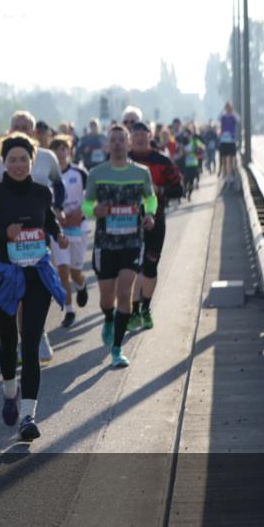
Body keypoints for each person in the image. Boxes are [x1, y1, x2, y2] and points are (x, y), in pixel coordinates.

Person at [0, 133, 68, 441]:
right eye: (12, 159)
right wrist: (6, 233)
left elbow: (49, 221)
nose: (18, 165)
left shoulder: (42, 193)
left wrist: (58, 234)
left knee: (30, 345)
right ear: (4, 162)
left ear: (32, 160)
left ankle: (28, 416)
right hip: (3, 274)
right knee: (8, 342)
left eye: (23, 159)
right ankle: (9, 391)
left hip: (36, 274)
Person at [82, 125, 157, 368]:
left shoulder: (141, 172)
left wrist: (150, 215)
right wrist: (94, 210)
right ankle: (108, 318)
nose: (117, 144)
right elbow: (86, 205)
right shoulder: (96, 173)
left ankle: (117, 349)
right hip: (105, 244)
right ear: (107, 145)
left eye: (121, 140)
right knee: (107, 300)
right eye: (112, 140)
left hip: (132, 242)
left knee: (125, 293)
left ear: (128, 144)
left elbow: (150, 198)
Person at [126, 121, 182, 333]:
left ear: (150, 137)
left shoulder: (162, 161)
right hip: (126, 224)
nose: (139, 139)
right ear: (131, 138)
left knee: (150, 267)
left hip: (155, 221)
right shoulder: (122, 160)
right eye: (135, 135)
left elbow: (178, 189)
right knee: (131, 269)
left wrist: (161, 190)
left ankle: (145, 309)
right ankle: (133, 312)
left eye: (143, 135)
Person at [49, 136, 90, 327]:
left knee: (75, 273)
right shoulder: (47, 176)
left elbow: (90, 198)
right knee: (62, 271)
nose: (60, 152)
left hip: (79, 227)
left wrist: (78, 214)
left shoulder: (80, 172)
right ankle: (69, 310)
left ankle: (81, 284)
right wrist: (56, 217)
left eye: (63, 148)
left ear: (69, 150)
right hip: (59, 229)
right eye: (56, 149)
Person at [218, 102, 241, 189]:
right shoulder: (223, 116)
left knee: (232, 161)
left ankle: (232, 177)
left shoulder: (233, 116)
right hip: (224, 141)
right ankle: (227, 178)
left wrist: (232, 111)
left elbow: (239, 119)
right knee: (225, 161)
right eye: (227, 107)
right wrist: (224, 110)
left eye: (229, 107)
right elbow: (218, 117)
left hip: (231, 141)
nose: (228, 109)